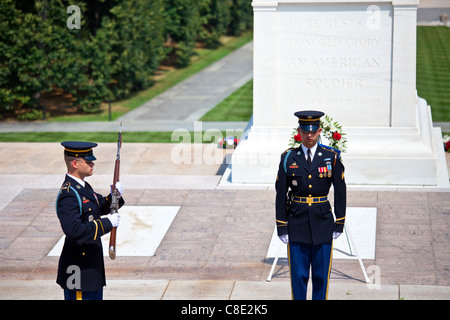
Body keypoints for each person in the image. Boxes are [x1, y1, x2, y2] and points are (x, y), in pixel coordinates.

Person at [275, 110, 346, 300]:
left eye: (313, 131)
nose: (309, 135)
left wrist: (339, 222)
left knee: (321, 276)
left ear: (319, 130)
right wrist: (282, 226)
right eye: (305, 131)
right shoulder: (288, 158)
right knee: (298, 276)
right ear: (299, 131)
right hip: (296, 223)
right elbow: (281, 194)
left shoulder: (331, 157)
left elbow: (340, 191)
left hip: (322, 223)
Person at [56, 141, 124, 300]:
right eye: (88, 161)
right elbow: (74, 230)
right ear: (75, 163)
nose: (93, 163)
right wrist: (108, 223)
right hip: (79, 270)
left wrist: (115, 197)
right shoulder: (68, 194)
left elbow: (98, 206)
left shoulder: (83, 187)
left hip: (90, 268)